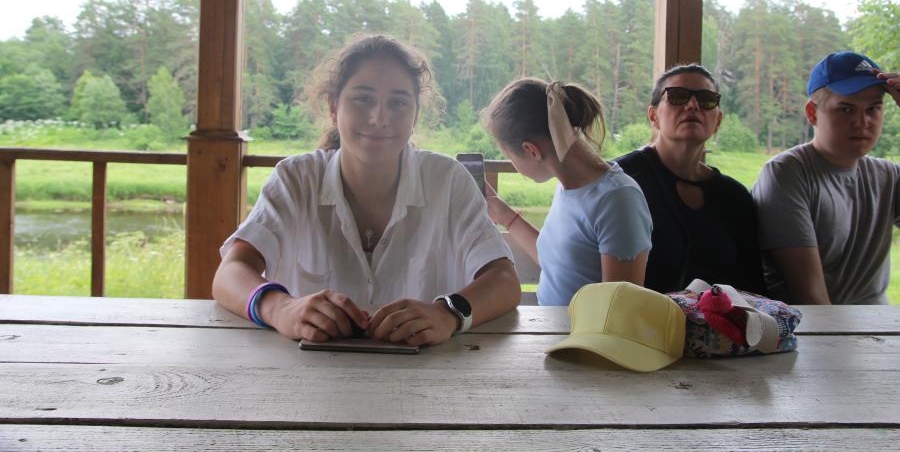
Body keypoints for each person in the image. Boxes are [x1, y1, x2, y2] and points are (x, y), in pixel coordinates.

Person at [212, 34, 520, 346]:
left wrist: (449, 313)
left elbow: (503, 279)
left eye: (398, 103)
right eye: (363, 99)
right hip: (304, 372)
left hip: (428, 372)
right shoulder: (296, 179)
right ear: (334, 108)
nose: (379, 118)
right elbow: (231, 272)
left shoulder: (448, 181)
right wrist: (281, 308)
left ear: (415, 115)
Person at [480, 78, 651, 306]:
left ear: (531, 150)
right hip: (551, 326)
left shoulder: (618, 200)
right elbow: (561, 265)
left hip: (579, 331)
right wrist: (504, 215)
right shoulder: (567, 187)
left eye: (509, 156)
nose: (513, 164)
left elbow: (620, 309)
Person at [752, 51, 900, 304]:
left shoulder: (888, 175)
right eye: (846, 109)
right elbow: (811, 297)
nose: (862, 122)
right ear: (812, 113)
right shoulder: (787, 173)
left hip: (879, 324)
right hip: (815, 326)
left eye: (873, 109)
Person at [616, 64, 766, 295]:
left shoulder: (734, 198)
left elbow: (752, 288)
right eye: (677, 96)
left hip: (718, 318)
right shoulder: (621, 180)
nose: (693, 105)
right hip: (637, 316)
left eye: (706, 100)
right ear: (653, 116)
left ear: (718, 120)